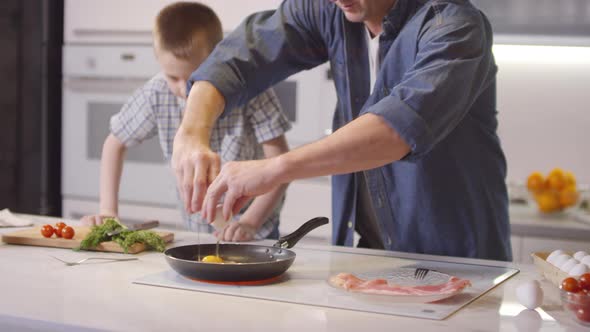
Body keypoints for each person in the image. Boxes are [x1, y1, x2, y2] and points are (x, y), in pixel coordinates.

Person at [172, 0, 512, 261]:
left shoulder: (454, 27)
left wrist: (274, 168)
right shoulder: (333, 11)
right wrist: (190, 133)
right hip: (367, 256)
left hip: (457, 261)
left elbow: (394, 130)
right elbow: (241, 55)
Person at [81, 2, 291, 242]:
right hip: (196, 230)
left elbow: (279, 165)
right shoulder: (157, 92)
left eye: (194, 77)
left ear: (218, 56)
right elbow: (114, 144)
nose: (184, 89)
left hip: (255, 229)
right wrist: (108, 211)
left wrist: (249, 223)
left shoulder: (252, 90)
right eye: (173, 77)